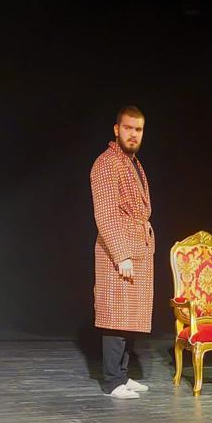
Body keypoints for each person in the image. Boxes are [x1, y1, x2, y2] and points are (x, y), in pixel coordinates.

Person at [90, 106, 155, 399]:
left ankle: (123, 375)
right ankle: (112, 381)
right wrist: (121, 254)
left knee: (130, 317)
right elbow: (105, 213)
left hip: (137, 247)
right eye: (128, 128)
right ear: (117, 129)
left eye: (138, 129)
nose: (133, 134)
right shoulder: (106, 163)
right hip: (118, 250)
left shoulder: (133, 164)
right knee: (116, 315)